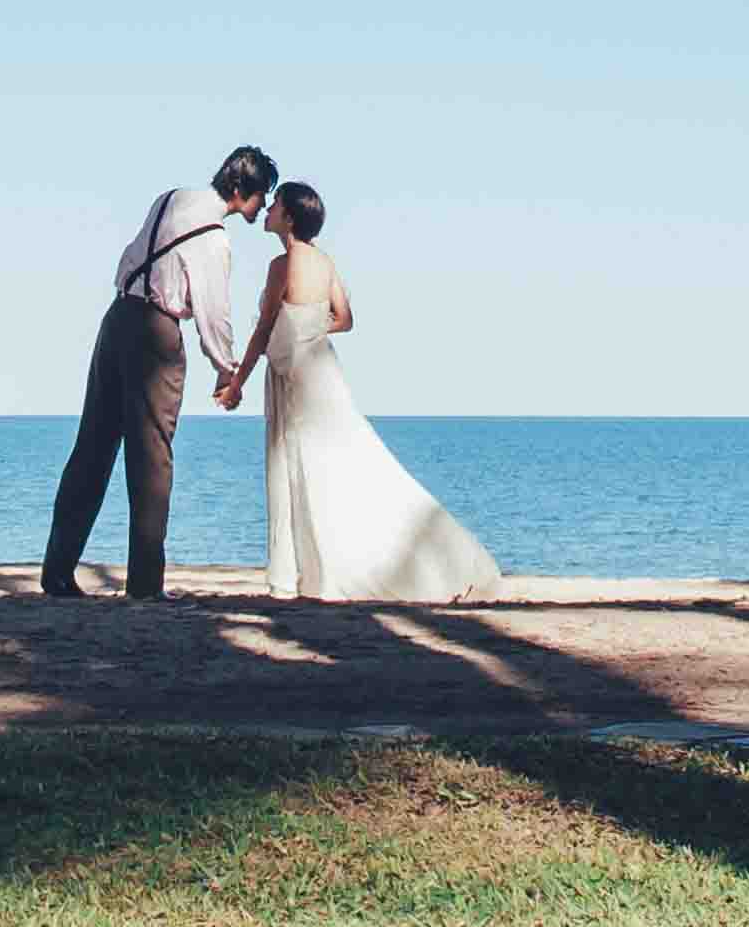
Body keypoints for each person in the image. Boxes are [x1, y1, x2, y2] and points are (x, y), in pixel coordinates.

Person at [217, 180, 499, 603]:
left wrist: (237, 381)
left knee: (300, 469)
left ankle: (305, 575)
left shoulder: (283, 265)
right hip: (322, 370)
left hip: (296, 377)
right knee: (343, 465)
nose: (270, 210)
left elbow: (262, 330)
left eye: (276, 205)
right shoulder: (325, 262)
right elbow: (344, 318)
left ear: (289, 217)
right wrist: (308, 330)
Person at [43, 144, 270, 599]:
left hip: (116, 320)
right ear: (243, 189)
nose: (264, 204)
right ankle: (145, 586)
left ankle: (57, 572)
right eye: (263, 193)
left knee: (91, 449)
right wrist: (226, 371)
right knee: (151, 461)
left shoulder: (170, 197)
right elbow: (213, 312)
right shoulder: (215, 239)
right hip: (156, 332)